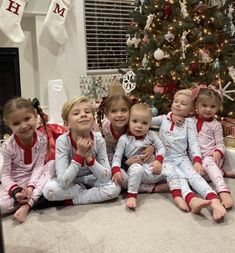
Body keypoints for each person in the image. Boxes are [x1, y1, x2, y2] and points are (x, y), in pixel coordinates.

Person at [152, 89, 227, 221]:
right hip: (165, 159)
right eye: (175, 102)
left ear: (191, 110)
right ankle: (192, 200)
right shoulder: (164, 118)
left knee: (193, 176)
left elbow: (193, 143)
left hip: (182, 157)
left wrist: (197, 161)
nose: (178, 105)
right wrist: (170, 115)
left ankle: (214, 200)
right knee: (180, 178)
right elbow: (147, 120)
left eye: (183, 104)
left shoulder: (190, 123)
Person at [112, 103, 202, 210]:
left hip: (152, 169)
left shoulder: (151, 135)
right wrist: (116, 170)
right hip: (136, 172)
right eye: (135, 121)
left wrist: (158, 161)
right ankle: (132, 196)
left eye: (144, 123)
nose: (139, 126)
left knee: (170, 169)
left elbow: (161, 148)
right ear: (129, 122)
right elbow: (117, 157)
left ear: (150, 124)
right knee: (129, 173)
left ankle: (177, 196)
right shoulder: (124, 139)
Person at [42, 96, 120, 205]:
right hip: (71, 182)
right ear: (66, 124)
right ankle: (85, 192)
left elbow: (106, 177)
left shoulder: (99, 139)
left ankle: (73, 200)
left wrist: (89, 159)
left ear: (93, 120)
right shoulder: (63, 141)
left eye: (87, 112)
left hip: (92, 179)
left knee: (115, 188)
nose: (83, 114)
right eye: (76, 113)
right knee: (49, 190)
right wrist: (79, 155)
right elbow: (63, 182)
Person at [0, 98, 54, 222]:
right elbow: (5, 175)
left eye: (27, 119)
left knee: (52, 165)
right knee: (2, 205)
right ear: (9, 125)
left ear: (35, 116)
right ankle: (35, 199)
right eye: (16, 123)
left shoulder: (42, 139)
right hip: (17, 182)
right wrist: (16, 192)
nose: (23, 126)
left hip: (36, 179)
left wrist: (30, 187)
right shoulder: (8, 146)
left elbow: (39, 166)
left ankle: (27, 204)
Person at [101, 94, 168, 193]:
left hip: (141, 160)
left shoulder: (135, 123)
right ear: (107, 115)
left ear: (130, 112)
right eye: (114, 111)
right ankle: (149, 188)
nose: (119, 115)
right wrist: (125, 164)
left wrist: (153, 147)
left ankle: (148, 181)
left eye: (124, 110)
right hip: (120, 161)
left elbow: (149, 120)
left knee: (165, 169)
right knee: (117, 178)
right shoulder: (106, 129)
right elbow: (111, 158)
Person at [193, 85, 233, 209]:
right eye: (204, 106)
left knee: (208, 162)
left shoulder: (216, 125)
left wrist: (217, 152)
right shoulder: (189, 121)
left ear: (217, 108)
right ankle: (218, 174)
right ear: (197, 106)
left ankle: (223, 190)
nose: (208, 109)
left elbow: (220, 143)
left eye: (212, 106)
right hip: (195, 158)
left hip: (210, 157)